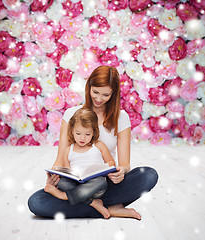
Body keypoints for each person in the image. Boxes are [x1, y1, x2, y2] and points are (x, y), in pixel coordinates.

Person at [28, 65, 158, 219]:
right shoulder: (71, 114)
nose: (98, 99)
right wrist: (53, 177)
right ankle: (106, 206)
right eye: (95, 92)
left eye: (105, 95)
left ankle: (93, 204)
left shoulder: (121, 118)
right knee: (36, 202)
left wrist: (121, 172)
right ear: (88, 86)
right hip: (75, 183)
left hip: (104, 183)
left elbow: (125, 165)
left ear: (114, 94)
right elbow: (61, 160)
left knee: (149, 175)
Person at [44, 108, 119, 219]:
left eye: (87, 134)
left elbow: (111, 162)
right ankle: (92, 202)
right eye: (78, 133)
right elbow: (67, 171)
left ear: (94, 132)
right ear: (72, 131)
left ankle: (63, 196)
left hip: (95, 186)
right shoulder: (68, 150)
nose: (82, 138)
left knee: (101, 181)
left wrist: (104, 168)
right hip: (77, 185)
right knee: (62, 183)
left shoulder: (99, 146)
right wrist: (56, 175)